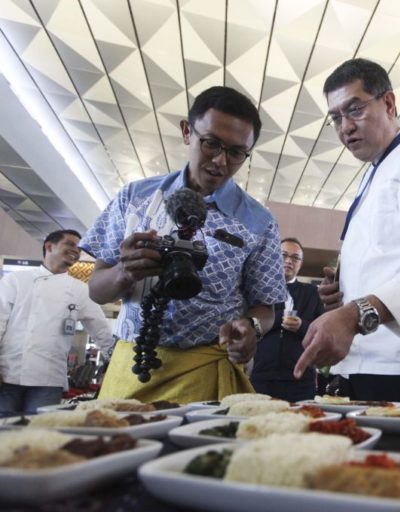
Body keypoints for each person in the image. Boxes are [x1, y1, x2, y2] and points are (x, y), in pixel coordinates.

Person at [80, 86, 287, 404]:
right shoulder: (134, 198)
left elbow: (267, 306)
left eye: (235, 153)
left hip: (207, 370)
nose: (220, 161)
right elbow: (96, 289)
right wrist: (125, 271)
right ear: (187, 132)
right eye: (211, 144)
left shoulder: (259, 222)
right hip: (132, 365)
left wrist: (252, 327)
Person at [292, 58, 400, 402]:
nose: (345, 127)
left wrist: (354, 314)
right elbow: (386, 259)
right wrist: (343, 290)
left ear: (388, 103)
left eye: (354, 109)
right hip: (363, 362)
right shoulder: (373, 173)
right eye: (336, 118)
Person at [0, 230, 113, 413]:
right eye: (70, 244)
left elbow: (101, 330)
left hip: (49, 378)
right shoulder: (16, 280)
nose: (76, 250)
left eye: (79, 247)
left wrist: (116, 359)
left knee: (40, 433)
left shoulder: (80, 290)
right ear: (49, 246)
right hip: (8, 373)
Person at [250, 238, 324, 402]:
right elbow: (251, 326)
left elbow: (321, 330)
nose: (288, 261)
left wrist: (302, 326)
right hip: (262, 375)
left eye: (295, 258)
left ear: (300, 263)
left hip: (300, 378)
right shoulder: (259, 290)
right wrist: (278, 319)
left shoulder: (313, 293)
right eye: (283, 255)